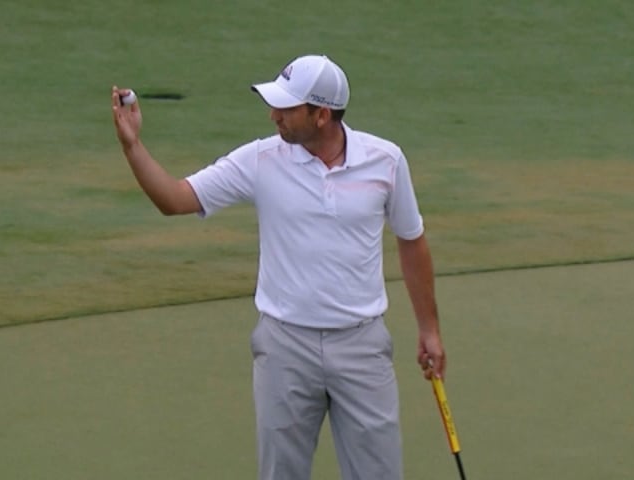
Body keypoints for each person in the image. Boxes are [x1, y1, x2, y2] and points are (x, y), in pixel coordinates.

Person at [111, 54, 446, 480]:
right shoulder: (261, 160)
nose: (273, 115)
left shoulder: (386, 161)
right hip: (285, 348)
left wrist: (429, 329)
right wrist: (133, 146)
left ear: (321, 114)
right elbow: (175, 199)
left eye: (286, 108)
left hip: (362, 347)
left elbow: (411, 239)